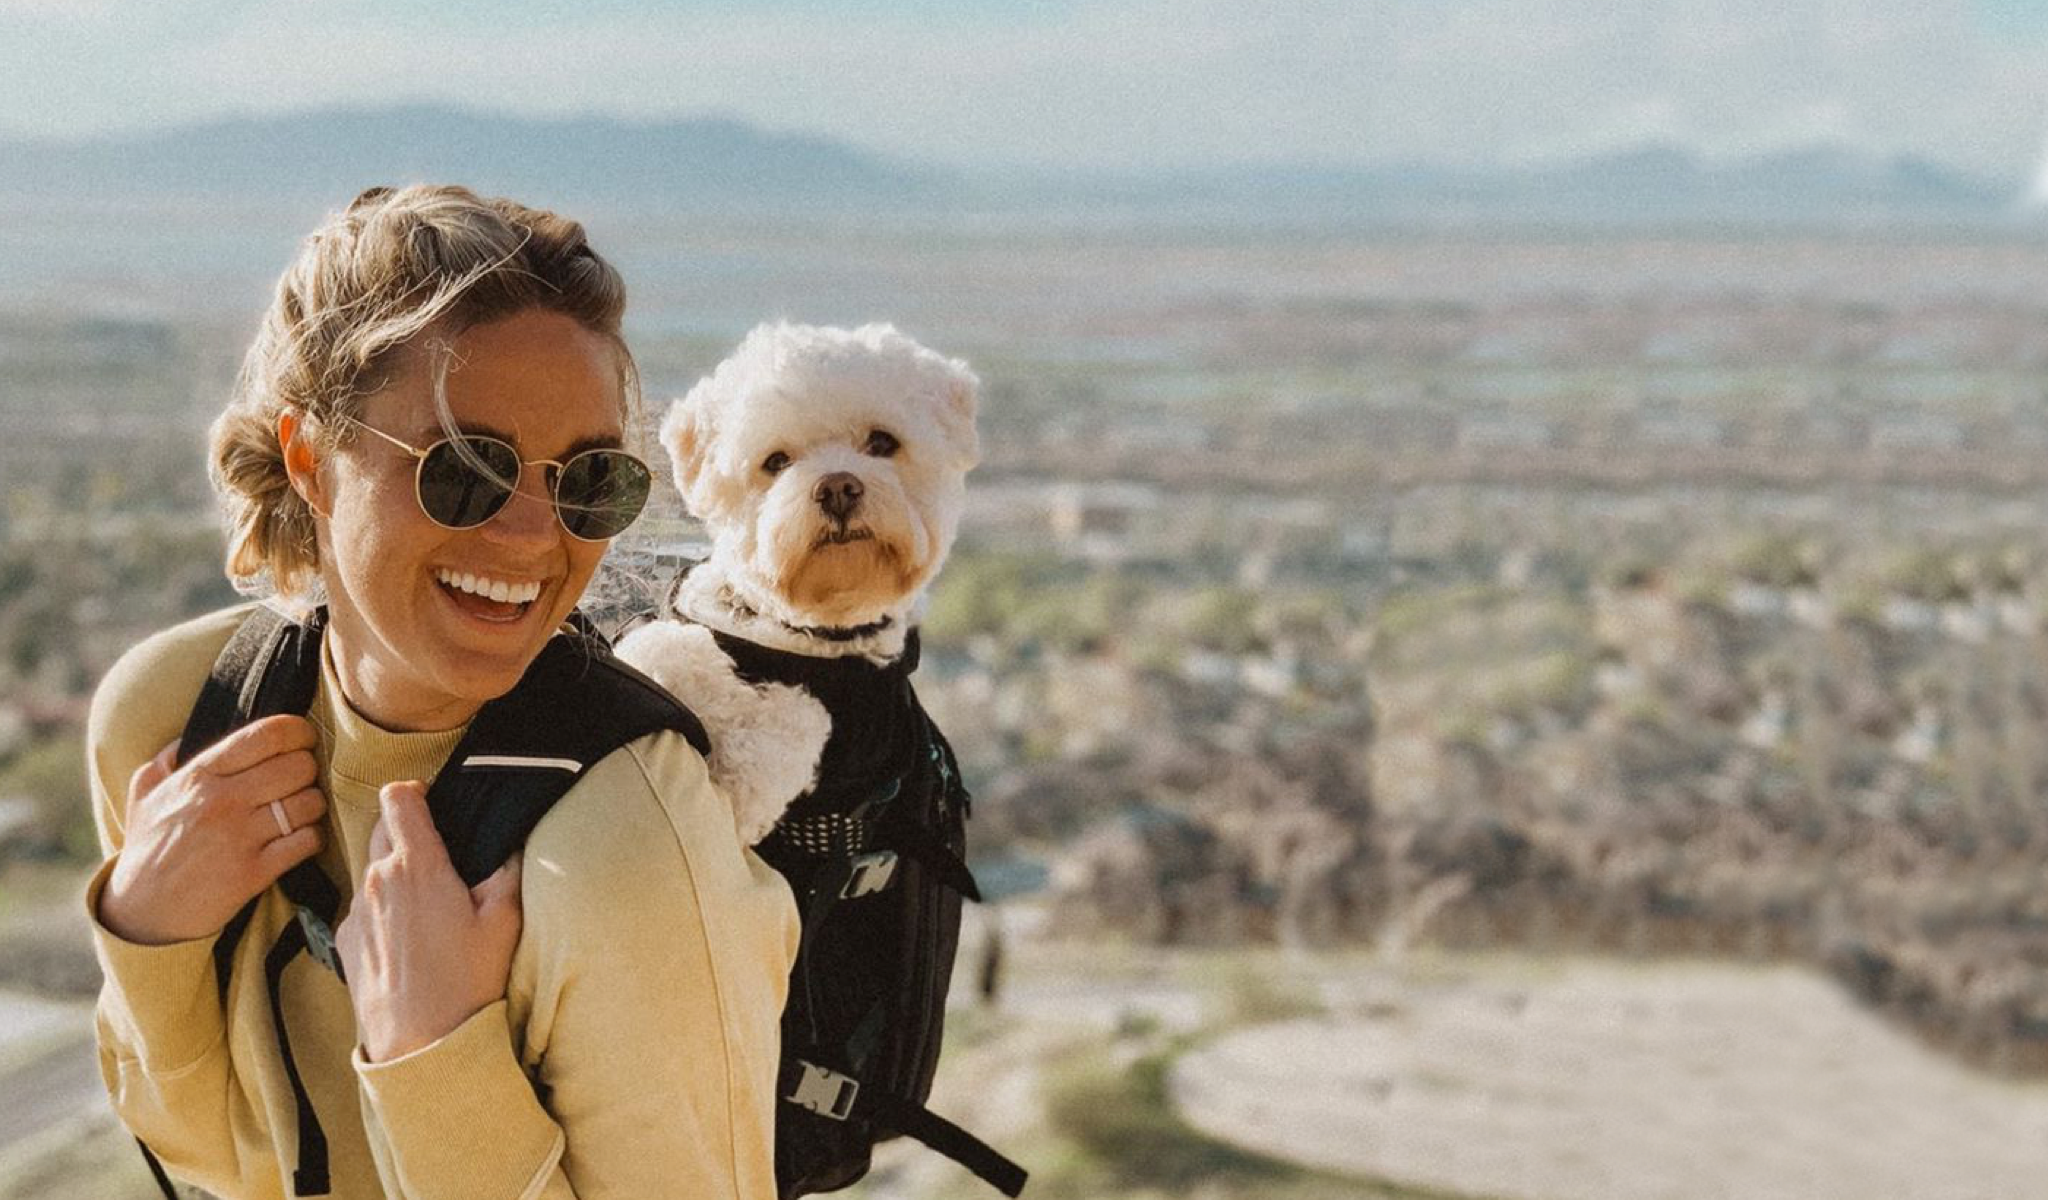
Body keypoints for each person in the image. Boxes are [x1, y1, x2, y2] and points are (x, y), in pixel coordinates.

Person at [84, 184, 799, 1200]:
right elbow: (216, 1161)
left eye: (587, 479)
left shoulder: (624, 845)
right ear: (309, 461)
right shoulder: (177, 718)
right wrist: (150, 939)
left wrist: (434, 1060)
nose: (530, 534)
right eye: (465, 467)